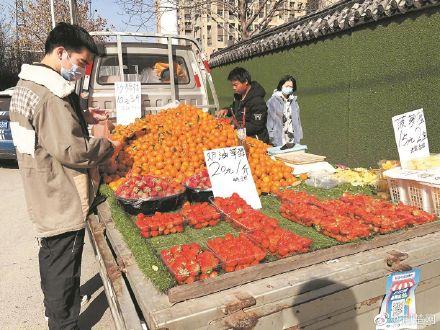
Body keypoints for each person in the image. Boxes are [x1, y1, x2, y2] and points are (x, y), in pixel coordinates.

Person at [9, 22, 119, 329]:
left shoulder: (30, 84)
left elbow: (47, 125)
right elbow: (73, 149)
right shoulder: (49, 95)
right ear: (61, 52)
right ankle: (62, 321)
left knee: (51, 255)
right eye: (81, 63)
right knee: (64, 263)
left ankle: (53, 308)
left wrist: (83, 115)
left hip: (42, 187)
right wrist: (107, 146)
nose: (82, 71)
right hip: (60, 193)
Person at [216, 67, 269, 143]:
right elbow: (234, 109)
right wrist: (226, 110)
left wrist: (236, 127)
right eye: (232, 85)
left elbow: (257, 125)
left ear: (246, 82)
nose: (233, 88)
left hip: (255, 141)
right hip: (241, 138)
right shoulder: (239, 96)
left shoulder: (257, 101)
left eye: (236, 85)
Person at [266, 75, 303, 148]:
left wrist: (299, 135)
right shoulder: (272, 101)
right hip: (279, 139)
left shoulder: (294, 101)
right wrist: (272, 138)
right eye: (287, 86)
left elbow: (297, 120)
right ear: (281, 86)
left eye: (291, 87)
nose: (289, 88)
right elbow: (269, 122)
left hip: (292, 139)